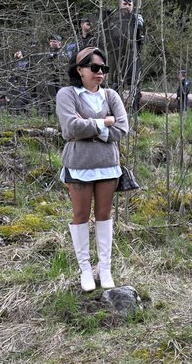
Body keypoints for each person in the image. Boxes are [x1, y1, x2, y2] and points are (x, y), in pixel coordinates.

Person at [56, 47, 129, 292]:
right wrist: (103, 122)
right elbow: (70, 128)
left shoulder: (111, 96)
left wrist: (90, 126)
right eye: (94, 68)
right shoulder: (67, 94)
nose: (100, 73)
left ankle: (105, 268)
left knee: (104, 215)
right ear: (80, 70)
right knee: (80, 215)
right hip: (79, 164)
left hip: (108, 165)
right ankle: (85, 269)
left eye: (103, 69)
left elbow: (122, 129)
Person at [103, 0, 145, 111]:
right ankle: (113, 111)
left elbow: (141, 39)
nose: (127, 6)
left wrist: (139, 28)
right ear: (120, 5)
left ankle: (134, 112)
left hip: (133, 57)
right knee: (115, 86)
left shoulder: (137, 19)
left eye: (129, 4)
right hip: (116, 58)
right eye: (124, 4)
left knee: (135, 86)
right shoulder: (113, 20)